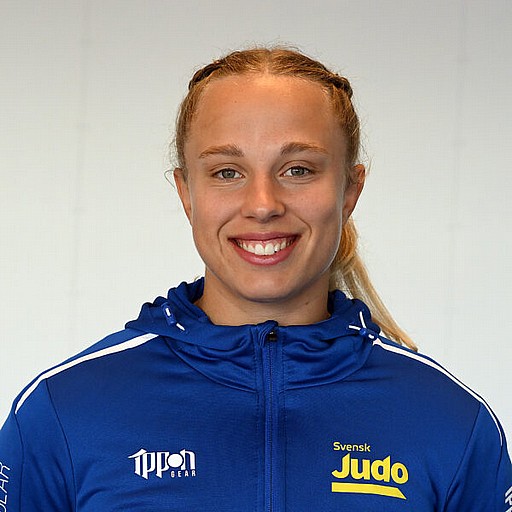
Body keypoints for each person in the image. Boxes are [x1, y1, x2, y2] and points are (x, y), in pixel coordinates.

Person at [0, 47, 510, 511]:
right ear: (186, 192)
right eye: (227, 172)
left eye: (298, 170)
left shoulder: (450, 422)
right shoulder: (63, 411)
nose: (263, 204)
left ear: (350, 190)